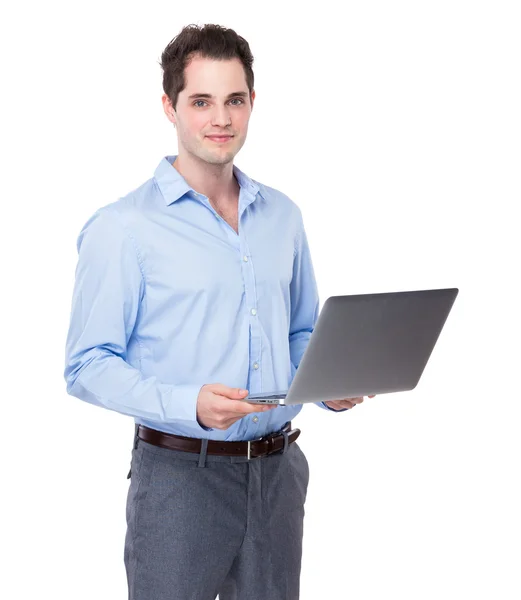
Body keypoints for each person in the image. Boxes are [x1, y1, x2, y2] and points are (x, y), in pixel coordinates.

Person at [63, 23, 373, 600]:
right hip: (182, 482)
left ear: (253, 102)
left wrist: (328, 382)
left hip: (278, 475)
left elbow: (301, 330)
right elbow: (86, 365)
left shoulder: (283, 216)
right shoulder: (124, 228)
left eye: (234, 100)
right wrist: (191, 406)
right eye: (201, 101)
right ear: (170, 107)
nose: (221, 119)